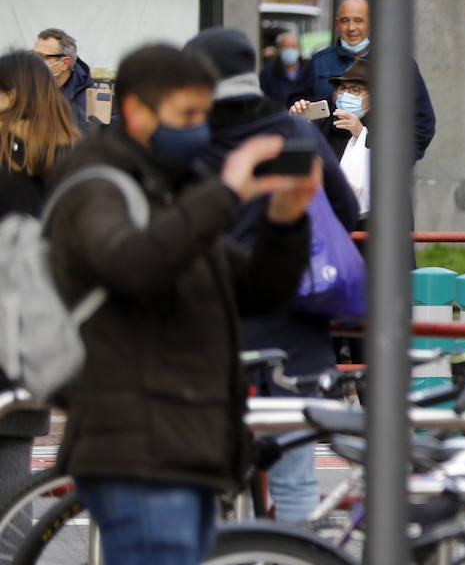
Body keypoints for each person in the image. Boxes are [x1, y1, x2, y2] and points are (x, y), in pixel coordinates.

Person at [46, 43, 316, 565]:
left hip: (186, 445)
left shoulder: (174, 189)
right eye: (185, 115)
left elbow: (257, 291)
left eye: (203, 113)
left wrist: (285, 220)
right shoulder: (96, 184)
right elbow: (131, 264)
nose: (199, 128)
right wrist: (225, 194)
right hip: (137, 449)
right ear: (137, 111)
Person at [187, 27, 359, 526]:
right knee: (294, 474)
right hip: (293, 325)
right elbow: (344, 208)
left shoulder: (187, 140)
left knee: (208, 476)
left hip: (209, 329)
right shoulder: (294, 133)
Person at [0, 50, 82, 506]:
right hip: (34, 336)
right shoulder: (67, 157)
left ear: (11, 96)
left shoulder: (7, 164)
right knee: (12, 476)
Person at [306, 0, 436, 162]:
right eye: (345, 20)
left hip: (381, 167)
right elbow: (299, 108)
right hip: (330, 165)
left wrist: (400, 162)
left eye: (358, 20)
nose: (351, 27)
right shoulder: (319, 62)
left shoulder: (398, 64)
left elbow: (422, 121)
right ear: (337, 23)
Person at [292, 60, 373, 222]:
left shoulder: (387, 126)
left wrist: (361, 134)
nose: (347, 94)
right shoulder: (323, 122)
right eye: (342, 88)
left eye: (355, 90)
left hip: (371, 228)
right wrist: (296, 125)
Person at [33, 28, 97, 131]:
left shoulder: (93, 101)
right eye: (33, 55)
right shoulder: (26, 94)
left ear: (65, 63)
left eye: (42, 57)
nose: (33, 62)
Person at [259, 31, 312, 106]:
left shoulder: (308, 69)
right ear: (278, 50)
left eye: (293, 47)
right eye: (286, 47)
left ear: (299, 49)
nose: (290, 51)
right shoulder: (267, 73)